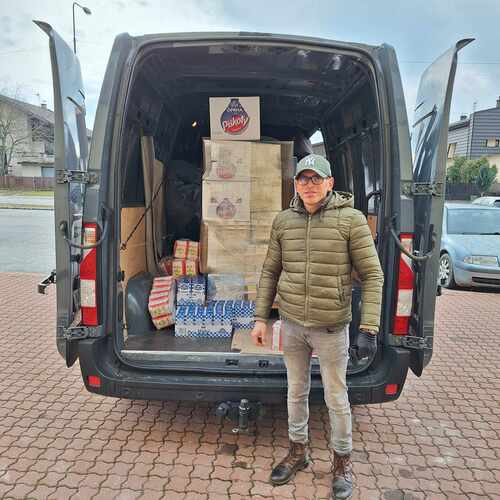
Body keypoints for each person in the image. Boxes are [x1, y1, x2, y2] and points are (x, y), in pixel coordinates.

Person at [251, 153, 384, 499]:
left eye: (316, 178)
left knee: (336, 396)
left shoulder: (351, 220)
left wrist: (369, 328)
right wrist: (261, 318)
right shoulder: (283, 221)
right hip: (292, 325)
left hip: (331, 328)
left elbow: (373, 275)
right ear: (295, 184)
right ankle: (298, 452)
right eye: (303, 178)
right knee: (295, 391)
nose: (309, 185)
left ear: (330, 183)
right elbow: (270, 271)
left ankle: (342, 462)